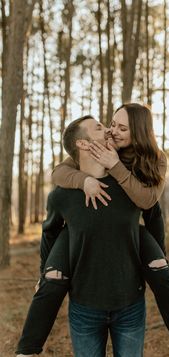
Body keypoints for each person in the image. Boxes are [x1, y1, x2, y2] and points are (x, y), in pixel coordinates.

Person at [16, 104, 169, 357]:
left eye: (121, 128)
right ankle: (26, 351)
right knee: (52, 278)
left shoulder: (153, 160)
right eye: (110, 124)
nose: (112, 131)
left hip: (130, 259)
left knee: (161, 267)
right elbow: (59, 173)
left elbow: (151, 206)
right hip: (82, 284)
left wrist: (155, 259)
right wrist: (84, 181)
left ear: (138, 133)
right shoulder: (79, 168)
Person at [17, 115, 146, 357]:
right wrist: (44, 271)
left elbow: (153, 216)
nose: (109, 129)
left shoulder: (129, 184)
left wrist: (157, 268)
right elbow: (50, 233)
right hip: (84, 309)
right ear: (84, 144)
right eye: (99, 127)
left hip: (130, 306)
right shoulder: (61, 196)